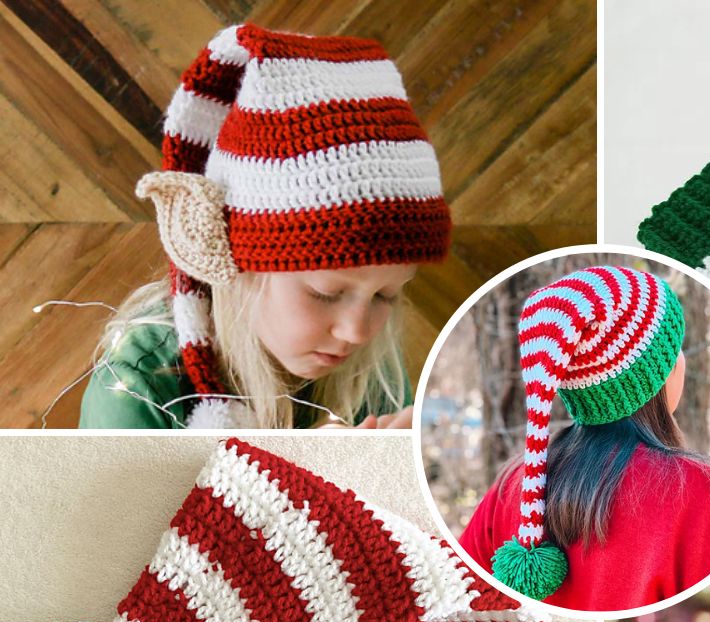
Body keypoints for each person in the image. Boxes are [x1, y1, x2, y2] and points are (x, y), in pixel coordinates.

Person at [79, 22, 450, 429]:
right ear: (234, 259)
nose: (357, 331)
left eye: (386, 296)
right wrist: (313, 477)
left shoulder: (371, 369)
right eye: (325, 293)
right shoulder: (140, 383)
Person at [458, 265, 710, 612]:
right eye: (675, 348)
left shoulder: (516, 486)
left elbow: (462, 594)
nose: (682, 360)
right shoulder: (696, 492)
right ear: (655, 375)